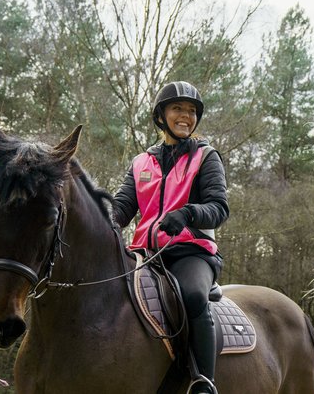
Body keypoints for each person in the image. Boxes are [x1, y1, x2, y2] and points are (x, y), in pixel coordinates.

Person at [111, 81, 228, 394]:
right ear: (161, 115)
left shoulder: (206, 157)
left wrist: (188, 214)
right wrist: (104, 221)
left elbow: (219, 208)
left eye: (191, 112)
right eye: (178, 109)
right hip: (145, 254)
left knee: (192, 296)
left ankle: (204, 382)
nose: (186, 116)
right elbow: (121, 207)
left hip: (193, 253)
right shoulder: (141, 162)